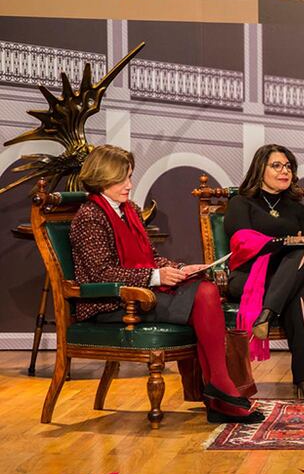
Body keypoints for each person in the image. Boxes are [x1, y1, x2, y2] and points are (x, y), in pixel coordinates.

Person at [70, 145, 261, 424]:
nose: (129, 185)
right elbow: (101, 273)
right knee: (205, 294)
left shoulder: (129, 210)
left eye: (129, 177)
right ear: (101, 178)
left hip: (141, 293)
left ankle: (220, 390)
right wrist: (156, 277)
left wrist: (182, 269)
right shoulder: (89, 217)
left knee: (204, 286)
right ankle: (220, 390)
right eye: (121, 179)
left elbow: (152, 257)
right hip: (112, 302)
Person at [224, 144, 304, 403]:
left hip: (288, 272)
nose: (284, 171)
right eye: (276, 166)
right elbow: (243, 243)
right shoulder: (241, 203)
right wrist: (285, 242)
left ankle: (266, 315)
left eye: (288, 166)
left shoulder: (296, 208)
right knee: (297, 292)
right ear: (260, 169)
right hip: (248, 276)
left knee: (303, 257)